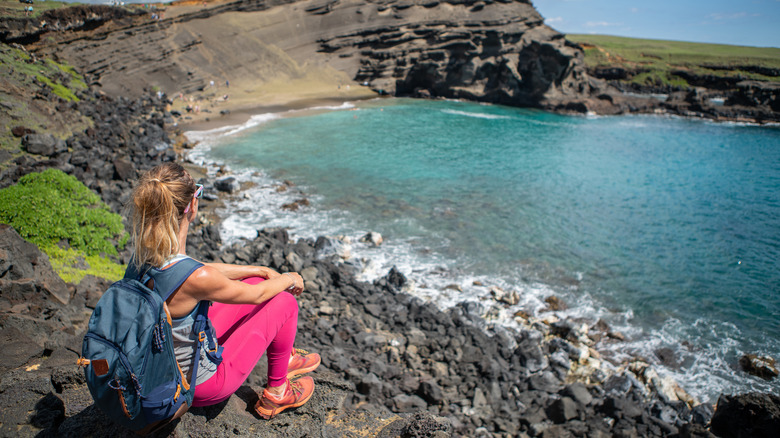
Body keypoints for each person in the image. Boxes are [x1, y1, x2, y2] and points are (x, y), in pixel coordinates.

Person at [128, 163, 319, 419]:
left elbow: (200, 270)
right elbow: (256, 295)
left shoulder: (142, 258)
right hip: (199, 385)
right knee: (284, 301)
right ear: (191, 206)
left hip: (156, 368)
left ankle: (284, 359)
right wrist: (288, 278)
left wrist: (259, 270)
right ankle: (278, 391)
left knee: (253, 280)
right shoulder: (197, 278)